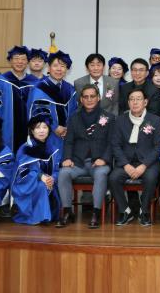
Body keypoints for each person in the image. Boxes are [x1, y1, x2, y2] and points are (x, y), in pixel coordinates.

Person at [56, 85, 114, 229]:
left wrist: (104, 159)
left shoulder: (109, 117)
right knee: (63, 173)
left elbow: (112, 143)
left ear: (98, 98)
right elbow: (69, 141)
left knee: (101, 174)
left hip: (99, 162)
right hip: (78, 163)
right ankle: (67, 211)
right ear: (81, 99)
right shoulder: (74, 118)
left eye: (92, 96)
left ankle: (96, 212)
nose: (89, 99)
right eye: (85, 97)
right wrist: (67, 158)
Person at [109, 88, 160, 227]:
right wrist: (125, 165)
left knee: (151, 178)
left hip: (148, 163)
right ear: (128, 102)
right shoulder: (120, 120)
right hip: (126, 162)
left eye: (138, 99)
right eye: (132, 99)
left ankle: (144, 211)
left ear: (145, 102)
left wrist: (144, 165)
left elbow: (157, 147)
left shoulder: (155, 120)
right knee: (113, 178)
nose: (135, 102)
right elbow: (115, 145)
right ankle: (125, 211)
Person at [0, 46, 39, 154]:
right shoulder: (0, 81)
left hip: (30, 130)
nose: (20, 62)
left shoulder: (35, 83)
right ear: (10, 61)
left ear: (27, 62)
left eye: (23, 59)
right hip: (5, 130)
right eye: (16, 58)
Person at [27, 51, 78, 157]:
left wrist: (68, 129)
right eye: (55, 66)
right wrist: (54, 127)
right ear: (49, 68)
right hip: (46, 135)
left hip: (66, 137)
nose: (59, 69)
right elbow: (37, 113)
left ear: (66, 69)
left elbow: (74, 112)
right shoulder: (39, 88)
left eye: (63, 66)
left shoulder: (70, 89)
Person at [11, 115, 60, 225]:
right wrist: (40, 176)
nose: (41, 131)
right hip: (27, 185)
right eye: (38, 128)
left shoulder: (53, 149)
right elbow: (22, 172)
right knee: (41, 186)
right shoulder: (25, 149)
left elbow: (57, 169)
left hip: (50, 184)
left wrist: (52, 178)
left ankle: (46, 214)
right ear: (32, 131)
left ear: (49, 130)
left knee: (48, 186)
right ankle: (41, 217)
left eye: (45, 127)